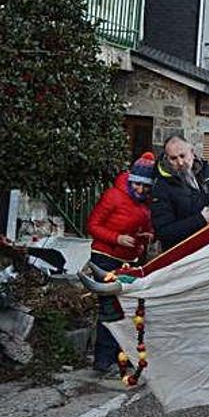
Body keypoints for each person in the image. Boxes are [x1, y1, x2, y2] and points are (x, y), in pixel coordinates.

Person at [86, 152, 156, 374]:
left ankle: (119, 357)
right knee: (110, 309)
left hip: (128, 261)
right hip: (105, 257)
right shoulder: (113, 196)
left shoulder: (146, 202)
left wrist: (148, 235)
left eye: (145, 187)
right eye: (137, 184)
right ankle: (102, 361)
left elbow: (146, 225)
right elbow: (93, 225)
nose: (140, 190)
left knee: (123, 310)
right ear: (131, 179)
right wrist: (116, 238)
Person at [150, 135, 209, 251]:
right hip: (183, 255)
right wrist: (201, 219)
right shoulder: (161, 187)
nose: (180, 162)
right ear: (166, 158)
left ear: (191, 152)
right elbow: (164, 232)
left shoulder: (207, 170)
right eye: (173, 158)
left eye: (182, 156)